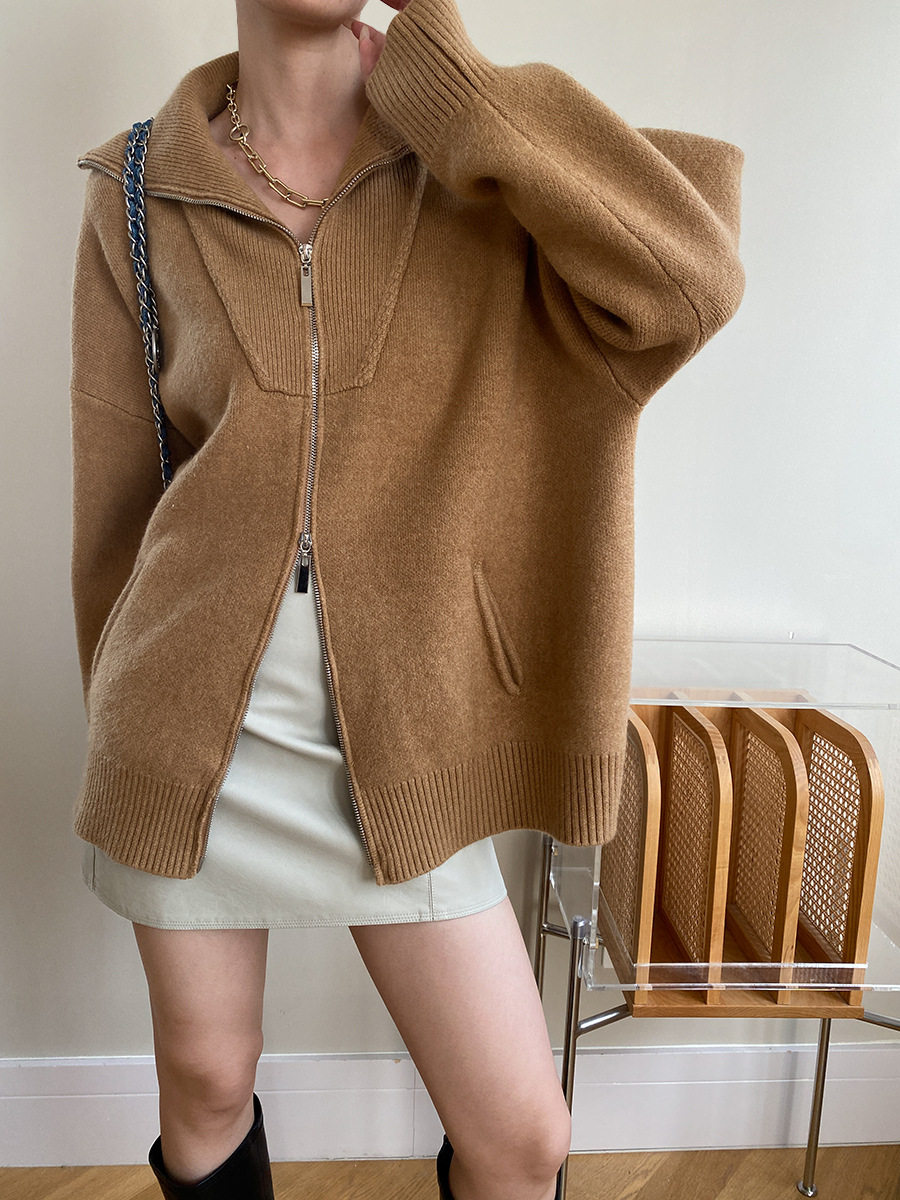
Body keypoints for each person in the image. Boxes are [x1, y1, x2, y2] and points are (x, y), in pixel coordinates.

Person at [68, 0, 746, 1197]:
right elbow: (116, 504)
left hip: (408, 731)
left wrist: (463, 93)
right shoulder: (137, 185)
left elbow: (689, 285)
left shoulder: (485, 160)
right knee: (208, 1082)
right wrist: (127, 736)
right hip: (186, 726)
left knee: (521, 1137)